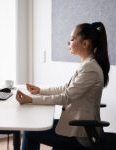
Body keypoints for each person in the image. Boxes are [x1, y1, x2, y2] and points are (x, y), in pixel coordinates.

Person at [16, 22, 110, 150]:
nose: (68, 43)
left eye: (72, 39)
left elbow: (66, 97)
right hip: (76, 126)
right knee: (33, 128)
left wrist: (31, 100)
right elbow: (66, 88)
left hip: (81, 134)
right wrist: (40, 90)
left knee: (30, 131)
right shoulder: (87, 64)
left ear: (85, 43)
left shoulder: (90, 68)